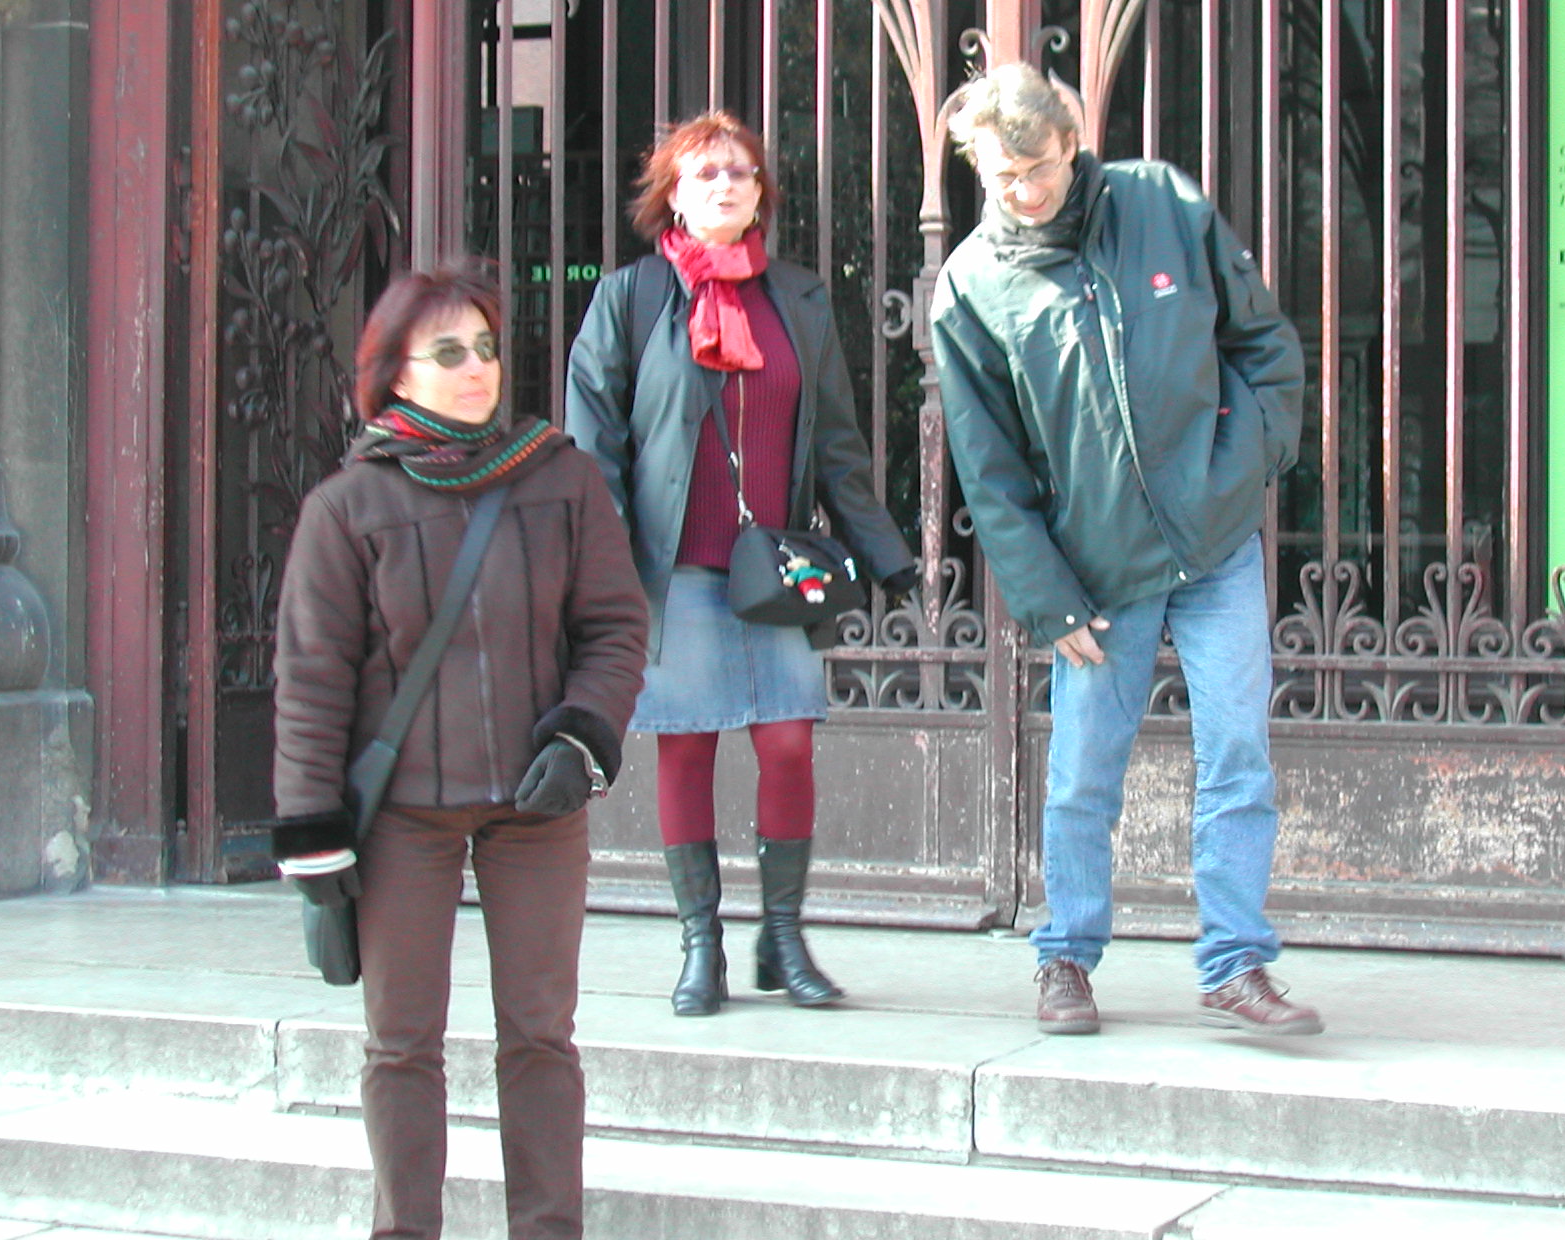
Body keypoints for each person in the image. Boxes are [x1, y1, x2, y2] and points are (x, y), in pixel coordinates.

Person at [929, 63, 1320, 1037]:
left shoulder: (1161, 204)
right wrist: (1046, 598)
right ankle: (1064, 955)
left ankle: (1235, 964)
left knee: (1238, 754)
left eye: (1039, 166)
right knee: (1083, 772)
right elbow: (988, 470)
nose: (1025, 189)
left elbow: (1262, 342)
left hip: (1216, 543)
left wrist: (1251, 459)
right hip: (1096, 572)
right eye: (1003, 174)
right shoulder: (971, 287)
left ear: (1072, 142)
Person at [270, 262, 648, 1240]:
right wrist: (313, 834)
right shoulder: (347, 508)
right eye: (449, 351)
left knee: (540, 1037)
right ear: (395, 372)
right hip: (404, 816)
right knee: (401, 1045)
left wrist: (583, 735)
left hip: (535, 806)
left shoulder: (561, 478)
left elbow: (614, 627)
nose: (478, 367)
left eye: (485, 347)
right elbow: (311, 679)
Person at [565, 110, 916, 1017]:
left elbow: (836, 443)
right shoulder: (632, 298)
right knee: (686, 747)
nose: (726, 184)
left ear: (761, 193)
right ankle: (702, 947)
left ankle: (783, 938)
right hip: (674, 567)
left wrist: (886, 555)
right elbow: (594, 443)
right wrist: (608, 562)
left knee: (789, 742)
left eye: (742, 172)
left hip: (772, 570)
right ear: (673, 196)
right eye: (706, 172)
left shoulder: (796, 298)